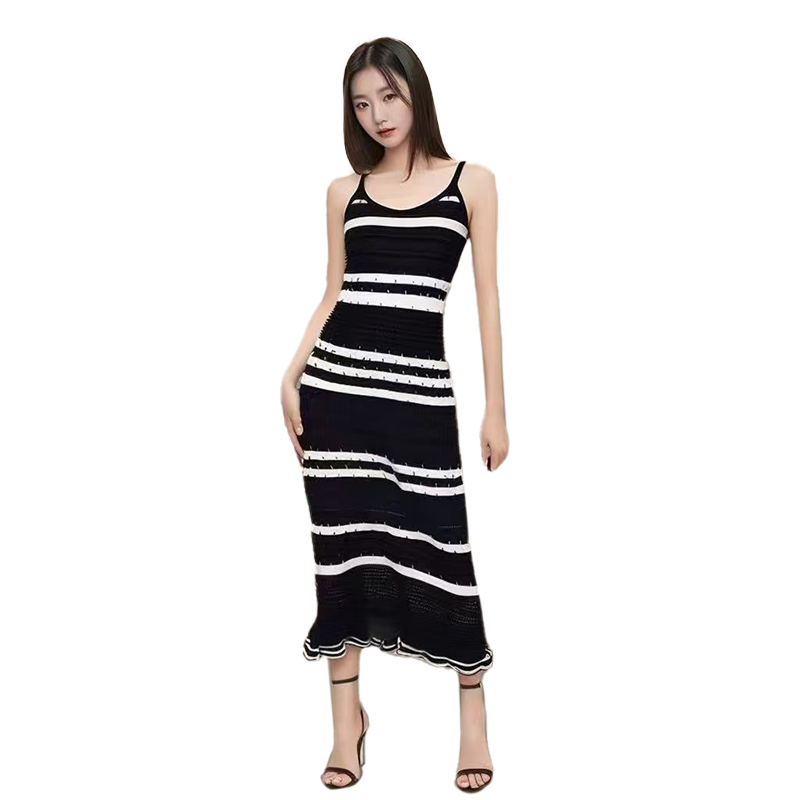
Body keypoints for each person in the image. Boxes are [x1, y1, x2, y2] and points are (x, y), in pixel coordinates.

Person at [281, 37, 508, 792]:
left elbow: (486, 300)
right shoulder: (342, 192)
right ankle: (346, 725)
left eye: (389, 95)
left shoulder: (471, 183)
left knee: (445, 547)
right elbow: (333, 291)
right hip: (337, 395)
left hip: (419, 404)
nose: (377, 114)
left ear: (417, 92)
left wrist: (496, 409)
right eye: (361, 103)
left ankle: (473, 721)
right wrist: (292, 374)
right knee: (341, 551)